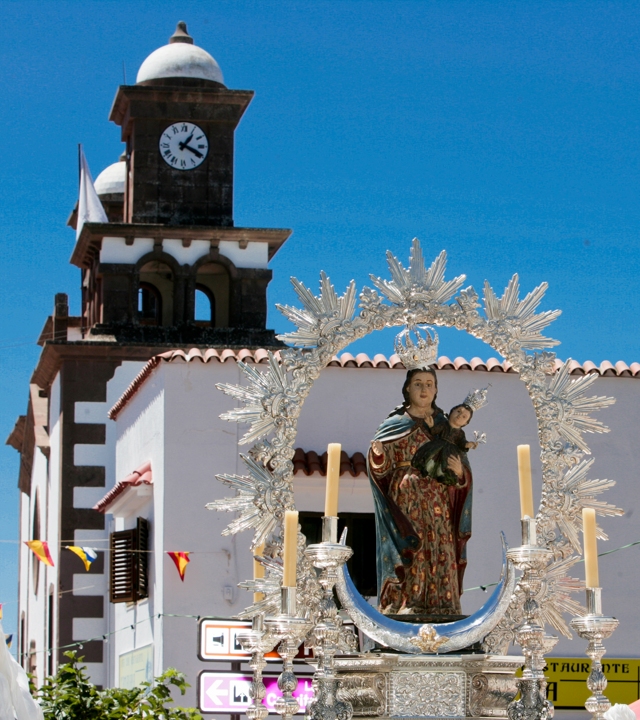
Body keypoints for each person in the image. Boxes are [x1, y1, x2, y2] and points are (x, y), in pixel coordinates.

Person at [368, 368, 472, 617]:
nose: (424, 389)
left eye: (429, 384)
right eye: (417, 384)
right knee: (413, 547)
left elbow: (461, 470)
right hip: (406, 498)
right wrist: (379, 455)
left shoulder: (446, 425)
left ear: (436, 390)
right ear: (407, 388)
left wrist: (459, 474)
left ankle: (443, 605)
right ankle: (406, 603)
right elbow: (380, 469)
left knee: (440, 548)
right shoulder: (394, 424)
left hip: (438, 498)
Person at [411, 403, 478, 487]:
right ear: (451, 411)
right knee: (432, 457)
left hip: (450, 451)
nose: (460, 416)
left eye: (464, 417)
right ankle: (427, 469)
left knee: (444, 463)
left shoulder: (460, 433)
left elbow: (462, 443)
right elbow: (435, 430)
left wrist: (467, 444)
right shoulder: (444, 424)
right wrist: (431, 425)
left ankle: (441, 475)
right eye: (458, 411)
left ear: (465, 423)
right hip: (437, 444)